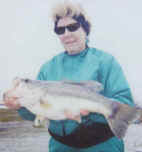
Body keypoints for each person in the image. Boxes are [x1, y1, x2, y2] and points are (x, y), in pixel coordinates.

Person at [4, 1, 134, 152]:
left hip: (102, 146)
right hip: (60, 147)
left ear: (85, 29)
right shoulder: (48, 68)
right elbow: (35, 114)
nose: (66, 34)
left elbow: (125, 102)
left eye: (72, 27)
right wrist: (18, 105)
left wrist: (90, 112)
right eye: (60, 30)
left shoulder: (106, 62)